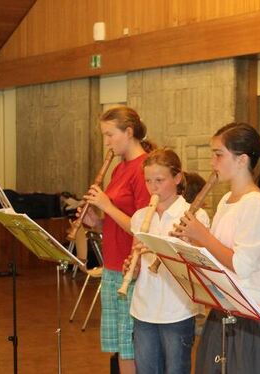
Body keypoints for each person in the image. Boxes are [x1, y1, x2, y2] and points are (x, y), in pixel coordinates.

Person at [172, 122, 260, 374]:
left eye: (218, 154)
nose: (212, 162)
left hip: (251, 317)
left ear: (241, 160)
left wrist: (202, 235)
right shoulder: (227, 200)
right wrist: (190, 242)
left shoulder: (257, 204)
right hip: (224, 307)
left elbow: (240, 264)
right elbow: (216, 254)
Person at [80, 105, 155, 374]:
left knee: (129, 345)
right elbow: (115, 223)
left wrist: (107, 206)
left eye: (110, 135)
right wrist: (97, 222)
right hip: (112, 265)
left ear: (129, 132)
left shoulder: (144, 169)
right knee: (120, 347)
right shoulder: (119, 169)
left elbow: (144, 229)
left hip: (132, 268)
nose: (107, 142)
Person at [122, 148, 210, 374]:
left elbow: (199, 267)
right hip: (143, 308)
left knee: (176, 370)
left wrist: (167, 250)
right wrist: (132, 267)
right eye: (148, 180)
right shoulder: (140, 217)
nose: (153, 187)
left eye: (159, 180)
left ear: (177, 178)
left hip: (177, 309)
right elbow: (137, 265)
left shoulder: (194, 217)